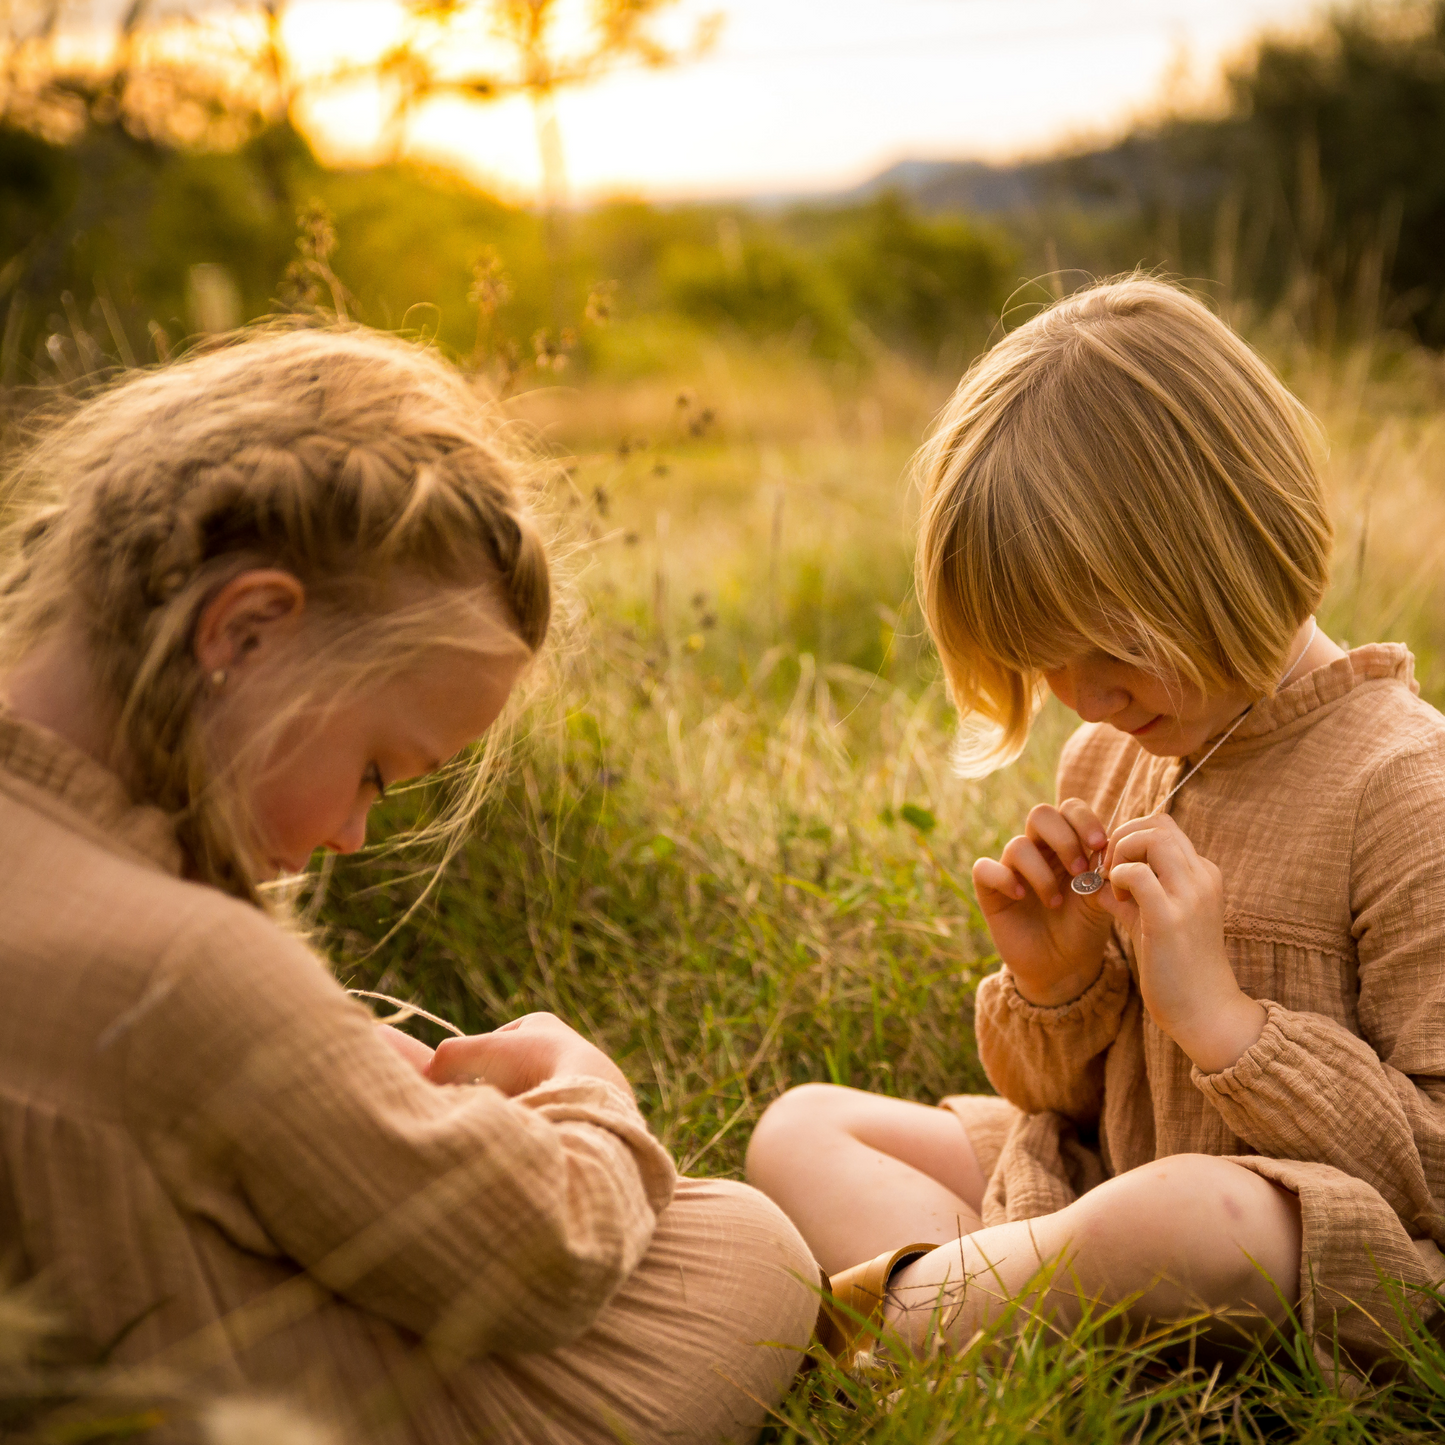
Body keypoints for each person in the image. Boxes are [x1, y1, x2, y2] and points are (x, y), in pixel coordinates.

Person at [0, 325, 818, 1444]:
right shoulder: (186, 967)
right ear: (244, 629)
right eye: (377, 772)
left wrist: (318, 1043)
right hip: (263, 1407)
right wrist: (587, 1090)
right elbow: (542, 1255)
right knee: (744, 1242)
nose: (349, 831)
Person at [746, 277, 1445, 1372]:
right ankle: (998, 1317)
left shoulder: (1404, 789)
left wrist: (1224, 1021)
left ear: (1232, 548)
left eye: (1109, 649)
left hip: (1299, 1250)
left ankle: (883, 1325)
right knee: (802, 1124)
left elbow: (1436, 1171)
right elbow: (1059, 1101)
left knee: (1188, 1215)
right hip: (1106, 1180)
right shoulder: (1113, 756)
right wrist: (1056, 983)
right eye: (1045, 660)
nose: (1082, 695)